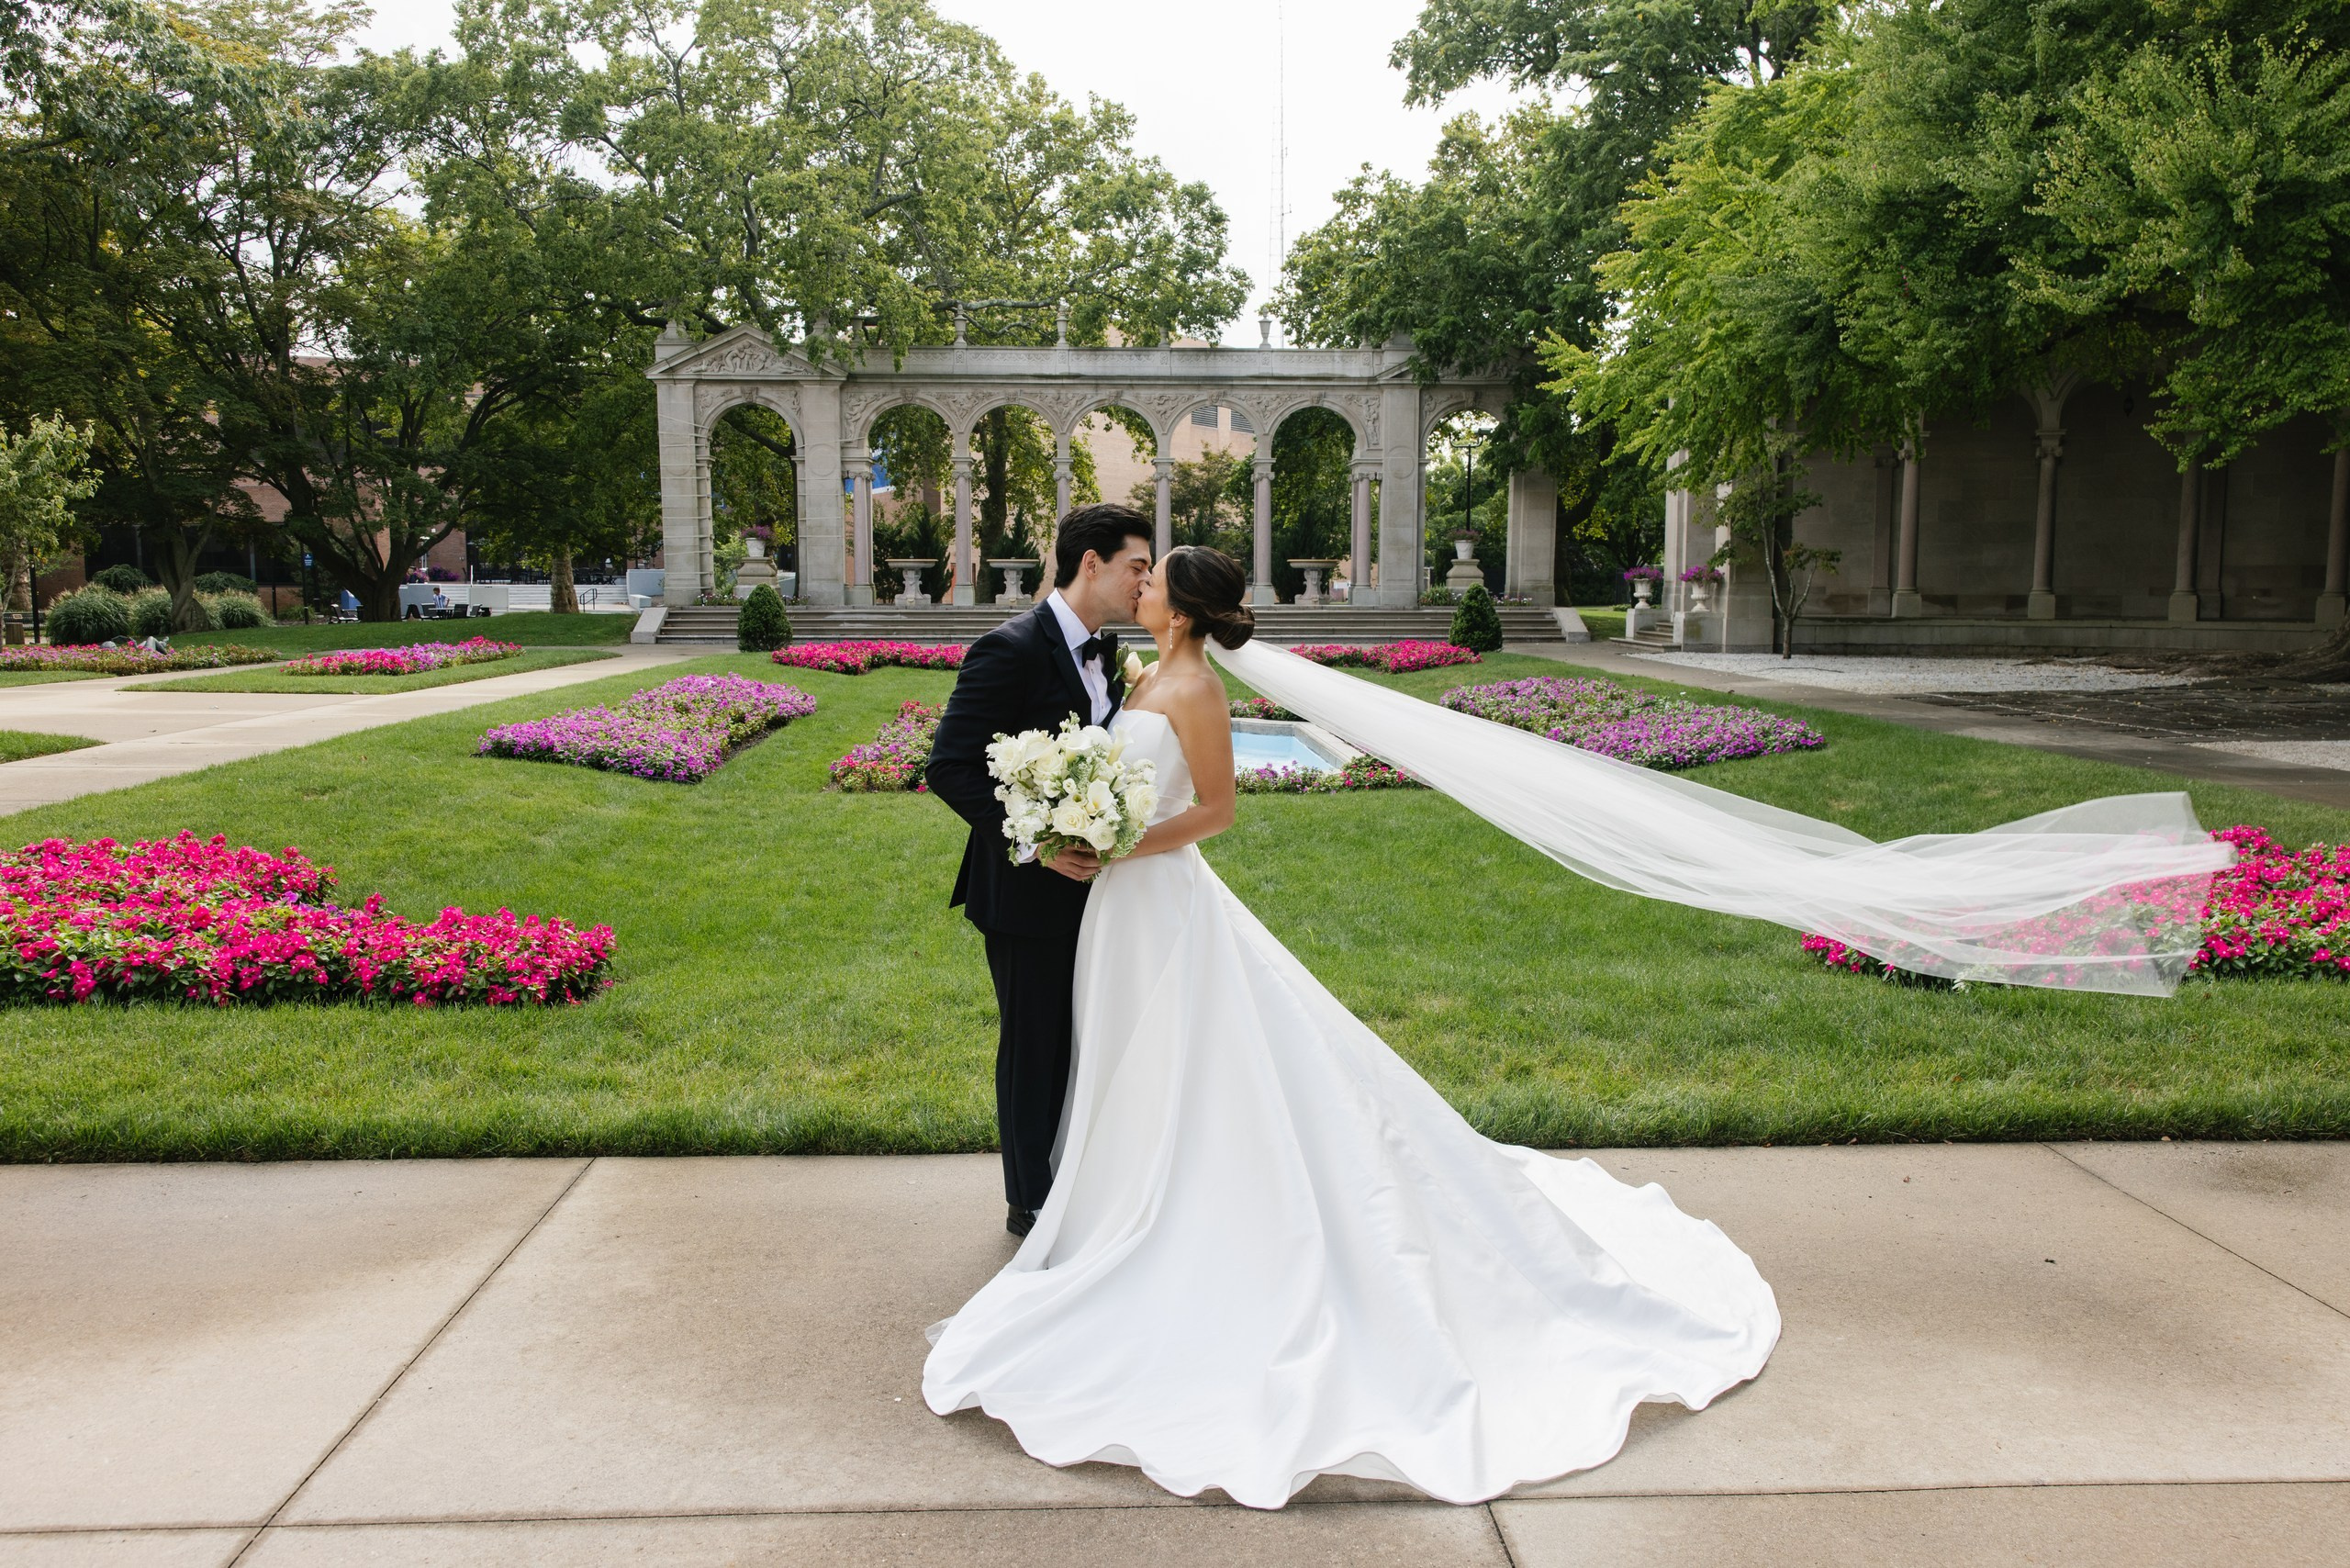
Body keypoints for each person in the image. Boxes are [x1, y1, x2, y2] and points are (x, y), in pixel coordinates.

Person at [922, 544, 1783, 1506]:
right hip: (1119, 911)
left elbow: (1215, 811)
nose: (1142, 584)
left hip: (1157, 895)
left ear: (1184, 605)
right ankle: (1116, 1201)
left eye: (1154, 575)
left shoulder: (1195, 685)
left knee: (1193, 1056)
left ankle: (1196, 1213)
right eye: (1140, 571)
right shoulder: (1143, 670)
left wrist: (1118, 838)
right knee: (1130, 1059)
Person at [924, 504, 1153, 1238]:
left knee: (1082, 1039)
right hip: (1023, 892)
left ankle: (1077, 1181)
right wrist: (1037, 846)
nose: (1145, 582)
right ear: (1092, 563)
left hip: (1097, 894)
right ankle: (1030, 1205)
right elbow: (948, 767)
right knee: (1034, 1048)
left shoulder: (1108, 652)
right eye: (1137, 567)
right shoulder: (1009, 648)